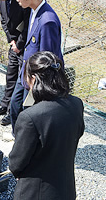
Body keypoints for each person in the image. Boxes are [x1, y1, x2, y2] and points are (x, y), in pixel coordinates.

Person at [9, 51, 84, 200]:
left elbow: (16, 164)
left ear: (34, 79)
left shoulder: (30, 117)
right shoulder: (76, 104)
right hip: (65, 188)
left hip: (35, 192)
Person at [10, 0, 64, 132]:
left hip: (36, 77)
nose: (17, 1)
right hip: (26, 71)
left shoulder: (47, 20)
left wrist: (37, 85)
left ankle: (25, 145)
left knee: (28, 114)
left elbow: (47, 58)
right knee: (15, 106)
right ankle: (18, 140)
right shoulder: (34, 11)